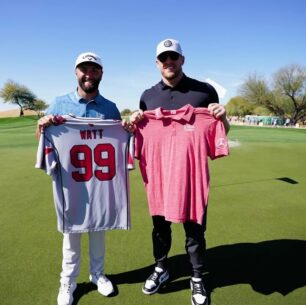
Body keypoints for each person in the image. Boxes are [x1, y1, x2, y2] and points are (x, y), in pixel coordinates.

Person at [128, 38, 230, 305]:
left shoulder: (205, 91)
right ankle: (161, 267)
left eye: (173, 57)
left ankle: (197, 277)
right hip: (159, 178)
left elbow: (219, 133)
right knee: (159, 228)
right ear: (157, 63)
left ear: (182, 60)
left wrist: (223, 117)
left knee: (194, 230)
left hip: (190, 179)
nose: (169, 62)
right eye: (164, 58)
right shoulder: (147, 97)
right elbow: (135, 136)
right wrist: (133, 123)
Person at [36, 52, 123, 305]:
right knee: (71, 237)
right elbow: (44, 140)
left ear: (101, 74)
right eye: (84, 69)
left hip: (100, 182)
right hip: (71, 184)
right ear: (76, 72)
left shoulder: (110, 108)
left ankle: (98, 275)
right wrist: (42, 125)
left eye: (94, 70)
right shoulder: (59, 103)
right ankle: (68, 282)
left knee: (98, 233)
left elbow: (119, 142)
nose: (89, 74)